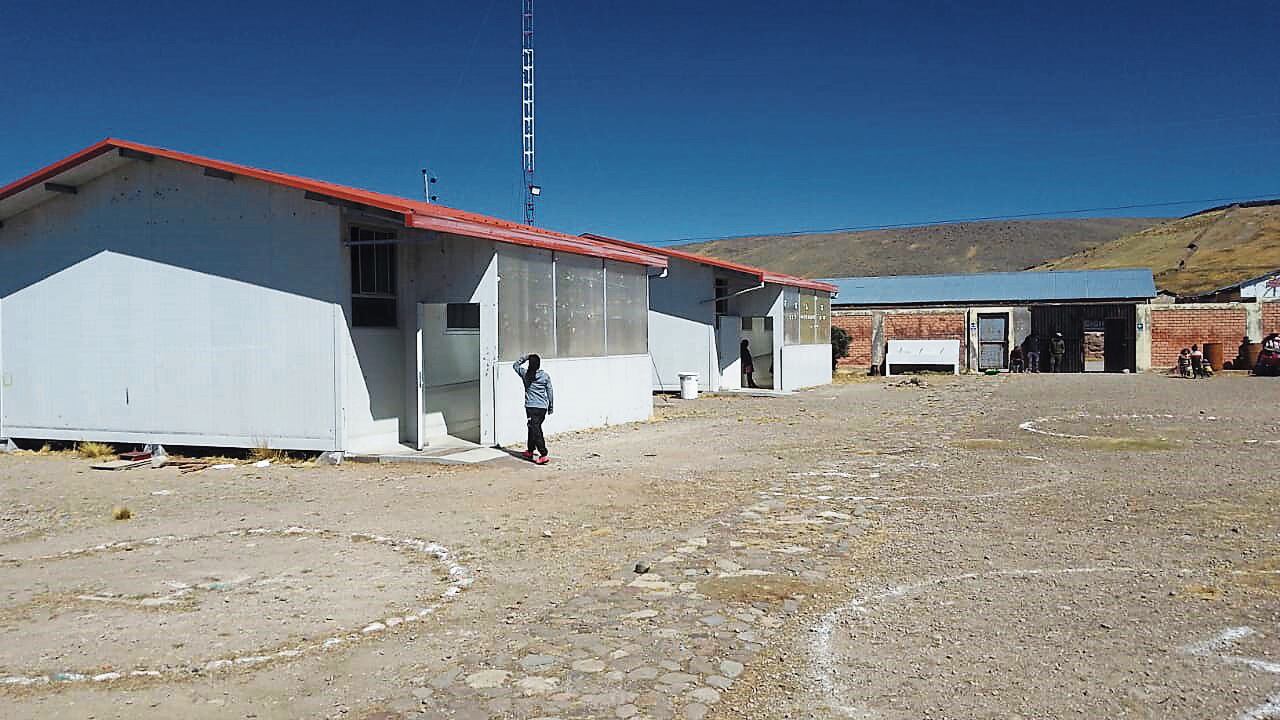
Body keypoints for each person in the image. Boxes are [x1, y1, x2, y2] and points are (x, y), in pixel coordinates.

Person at [513, 354, 554, 464]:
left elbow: (515, 365)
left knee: (535, 429)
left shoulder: (525, 374)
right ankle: (530, 450)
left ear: (529, 363)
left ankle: (543, 453)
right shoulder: (545, 376)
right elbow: (550, 391)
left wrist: (525, 358)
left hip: (531, 407)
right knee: (532, 427)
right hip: (542, 408)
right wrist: (550, 406)